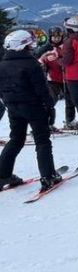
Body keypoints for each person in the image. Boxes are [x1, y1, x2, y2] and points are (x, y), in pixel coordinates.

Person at [0, 29, 60, 190]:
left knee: (16, 139)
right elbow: (42, 89)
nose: (32, 47)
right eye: (29, 44)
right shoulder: (31, 64)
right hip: (33, 107)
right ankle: (48, 176)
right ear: (23, 46)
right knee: (42, 141)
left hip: (13, 107)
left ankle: (3, 175)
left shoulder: (2, 65)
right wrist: (50, 107)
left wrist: (8, 102)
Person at [38, 26, 78, 128]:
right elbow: (40, 61)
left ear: (62, 36)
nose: (56, 39)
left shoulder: (66, 47)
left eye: (58, 36)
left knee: (70, 101)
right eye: (54, 37)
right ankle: (47, 123)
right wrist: (43, 67)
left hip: (67, 78)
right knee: (50, 100)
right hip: (53, 79)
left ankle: (70, 121)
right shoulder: (47, 49)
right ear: (50, 37)